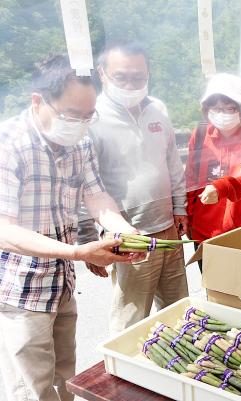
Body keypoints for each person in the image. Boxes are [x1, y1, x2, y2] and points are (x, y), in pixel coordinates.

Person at [0, 54, 141, 401]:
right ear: (38, 101)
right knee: (31, 389)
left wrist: (123, 231)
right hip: (21, 292)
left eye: (87, 115)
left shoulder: (82, 141)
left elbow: (97, 197)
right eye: (71, 115)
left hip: (62, 284)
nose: (79, 123)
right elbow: (5, 230)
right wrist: (78, 252)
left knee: (66, 377)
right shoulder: (9, 144)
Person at [77, 42, 189, 335]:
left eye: (138, 77)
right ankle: (124, 373)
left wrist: (179, 208)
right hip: (129, 239)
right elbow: (84, 187)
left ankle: (178, 366)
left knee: (179, 309)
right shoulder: (93, 119)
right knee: (131, 318)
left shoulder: (158, 111)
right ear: (102, 74)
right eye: (121, 77)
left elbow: (173, 164)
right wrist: (88, 240)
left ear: (148, 74)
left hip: (169, 230)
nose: (131, 84)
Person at [186, 73, 241, 265]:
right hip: (204, 233)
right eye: (216, 108)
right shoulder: (199, 134)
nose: (222, 113)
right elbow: (190, 177)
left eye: (229, 108)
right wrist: (188, 215)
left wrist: (222, 187)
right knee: (212, 289)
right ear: (206, 109)